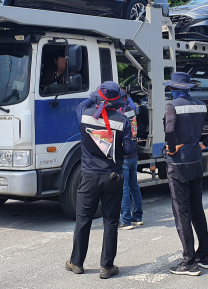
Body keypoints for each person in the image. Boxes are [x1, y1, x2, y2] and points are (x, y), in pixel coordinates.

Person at [66, 82, 136, 279]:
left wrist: (96, 98)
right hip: (113, 177)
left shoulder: (84, 115)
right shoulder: (123, 121)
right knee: (110, 222)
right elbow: (130, 151)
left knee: (83, 220)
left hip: (88, 176)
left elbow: (82, 104)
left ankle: (76, 263)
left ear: (98, 98)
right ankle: (106, 266)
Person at [163, 72, 208, 276]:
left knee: (182, 213)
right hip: (197, 162)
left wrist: (171, 148)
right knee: (197, 210)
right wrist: (204, 143)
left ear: (172, 88)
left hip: (179, 165)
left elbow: (170, 130)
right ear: (188, 88)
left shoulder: (172, 106)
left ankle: (189, 262)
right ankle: (204, 255)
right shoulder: (200, 104)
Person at [118, 92, 143, 230]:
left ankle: (125, 220)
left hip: (124, 156)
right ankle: (138, 216)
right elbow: (131, 102)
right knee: (134, 187)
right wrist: (127, 95)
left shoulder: (118, 113)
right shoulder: (131, 110)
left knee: (124, 188)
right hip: (134, 154)